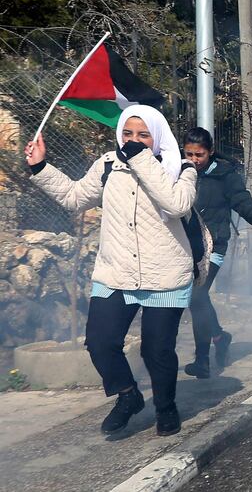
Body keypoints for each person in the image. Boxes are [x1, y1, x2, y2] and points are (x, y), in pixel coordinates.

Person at [25, 105, 197, 436]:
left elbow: (176, 205)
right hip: (116, 272)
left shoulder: (181, 168)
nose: (133, 140)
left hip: (164, 275)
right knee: (100, 342)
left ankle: (166, 408)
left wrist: (141, 158)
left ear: (157, 137)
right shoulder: (108, 163)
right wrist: (41, 167)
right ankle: (128, 395)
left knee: (156, 350)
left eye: (143, 135)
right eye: (128, 133)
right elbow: (75, 197)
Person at [182, 127, 252, 379]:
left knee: (197, 297)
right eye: (189, 154)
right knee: (195, 297)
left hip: (214, 245)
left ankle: (202, 361)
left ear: (209, 152)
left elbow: (241, 199)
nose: (194, 160)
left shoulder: (224, 174)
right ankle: (220, 337)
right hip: (184, 245)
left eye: (199, 155)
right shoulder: (178, 171)